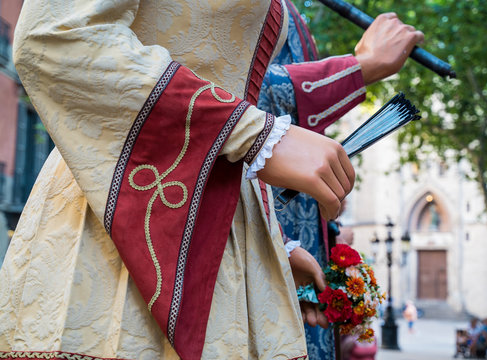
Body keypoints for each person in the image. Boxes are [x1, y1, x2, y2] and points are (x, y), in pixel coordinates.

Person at [0, 1, 359, 359]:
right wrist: (257, 135)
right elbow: (54, 36)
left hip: (229, 240)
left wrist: (275, 247)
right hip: (113, 221)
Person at [258, 1, 424, 358]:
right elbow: (219, 100)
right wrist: (356, 69)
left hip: (299, 262)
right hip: (250, 257)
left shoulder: (293, 14)